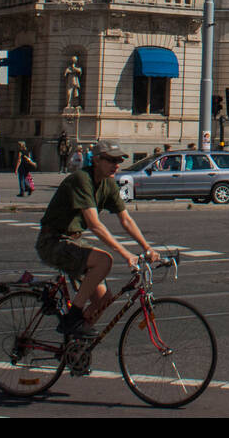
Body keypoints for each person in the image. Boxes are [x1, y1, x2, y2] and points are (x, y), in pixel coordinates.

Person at [35, 141, 158, 339]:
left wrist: (147, 248)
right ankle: (73, 316)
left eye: (118, 160)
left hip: (73, 241)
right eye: (111, 160)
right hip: (53, 241)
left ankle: (76, 346)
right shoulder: (82, 179)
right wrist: (125, 253)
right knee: (104, 260)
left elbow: (125, 219)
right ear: (97, 160)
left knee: (104, 299)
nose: (116, 165)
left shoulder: (108, 183)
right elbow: (94, 224)